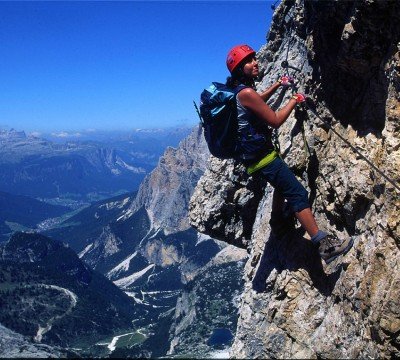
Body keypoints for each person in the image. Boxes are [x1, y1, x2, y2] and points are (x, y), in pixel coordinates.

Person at [226, 44, 353, 264]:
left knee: (281, 185)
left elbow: (258, 100)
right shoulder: (246, 93)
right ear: (239, 69)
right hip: (263, 157)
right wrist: (295, 99)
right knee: (297, 194)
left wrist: (277, 85)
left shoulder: (241, 92)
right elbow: (275, 121)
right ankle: (323, 245)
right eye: (248, 61)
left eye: (254, 58)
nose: (255, 62)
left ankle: (277, 223)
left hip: (253, 158)